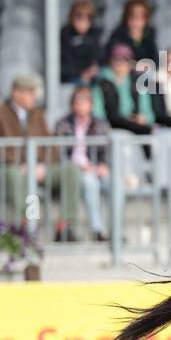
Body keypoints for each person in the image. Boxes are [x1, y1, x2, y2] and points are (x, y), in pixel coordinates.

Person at [0, 75, 53, 225]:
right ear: (17, 94)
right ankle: (29, 222)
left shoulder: (38, 113)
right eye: (30, 92)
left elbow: (50, 142)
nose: (34, 97)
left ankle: (65, 226)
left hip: (36, 167)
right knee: (19, 178)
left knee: (69, 171)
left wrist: (41, 163)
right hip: (7, 169)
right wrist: (20, 164)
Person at [52, 85, 111, 242]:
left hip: (96, 168)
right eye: (78, 101)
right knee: (90, 183)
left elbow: (107, 151)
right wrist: (81, 166)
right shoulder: (63, 124)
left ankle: (116, 230)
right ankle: (97, 230)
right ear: (72, 104)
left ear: (91, 104)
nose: (81, 105)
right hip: (74, 169)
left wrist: (104, 165)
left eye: (85, 101)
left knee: (116, 184)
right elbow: (59, 154)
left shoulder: (101, 124)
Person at [94, 43, 154, 134]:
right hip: (112, 125)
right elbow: (98, 113)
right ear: (111, 61)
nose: (120, 63)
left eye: (125, 59)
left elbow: (148, 112)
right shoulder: (102, 84)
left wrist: (143, 118)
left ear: (130, 63)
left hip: (135, 124)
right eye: (117, 59)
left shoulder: (138, 84)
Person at [103, 0, 158, 67]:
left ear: (146, 20)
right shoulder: (118, 36)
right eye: (132, 17)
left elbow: (155, 62)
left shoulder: (149, 37)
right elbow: (109, 57)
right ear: (126, 18)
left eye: (140, 18)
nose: (135, 21)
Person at [61, 0, 101, 84]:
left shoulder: (94, 34)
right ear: (71, 17)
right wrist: (81, 74)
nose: (84, 22)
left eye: (88, 18)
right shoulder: (65, 34)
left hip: (91, 77)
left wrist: (94, 68)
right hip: (72, 78)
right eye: (79, 18)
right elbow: (64, 65)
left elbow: (98, 57)